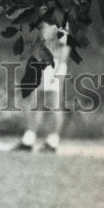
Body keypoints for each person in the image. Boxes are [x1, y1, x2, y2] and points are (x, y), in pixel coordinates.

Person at [14, 21, 70, 153]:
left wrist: (59, 68)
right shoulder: (44, 17)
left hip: (54, 63)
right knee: (35, 101)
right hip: (41, 63)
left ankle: (52, 141)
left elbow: (65, 47)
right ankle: (29, 139)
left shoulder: (60, 19)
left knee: (54, 103)